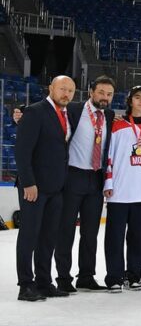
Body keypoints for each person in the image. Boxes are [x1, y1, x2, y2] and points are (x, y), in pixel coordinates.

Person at [14, 75, 75, 302]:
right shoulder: (35, 112)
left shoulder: (69, 114)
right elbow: (22, 151)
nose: (66, 94)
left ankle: (44, 282)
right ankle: (26, 285)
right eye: (62, 89)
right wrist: (28, 182)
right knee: (29, 236)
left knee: (48, 237)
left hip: (57, 188)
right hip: (35, 188)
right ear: (51, 88)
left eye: (70, 90)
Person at [55, 75, 115, 293]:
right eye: (101, 92)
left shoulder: (109, 115)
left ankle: (86, 276)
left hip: (96, 178)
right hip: (73, 176)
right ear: (91, 92)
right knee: (66, 230)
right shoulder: (74, 110)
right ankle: (63, 278)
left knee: (90, 232)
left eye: (109, 94)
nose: (105, 98)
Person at [103, 85, 141, 292]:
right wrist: (108, 183)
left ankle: (133, 275)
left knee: (138, 238)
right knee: (115, 238)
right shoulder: (118, 126)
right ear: (129, 101)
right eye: (137, 97)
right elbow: (109, 156)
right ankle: (114, 277)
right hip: (119, 191)